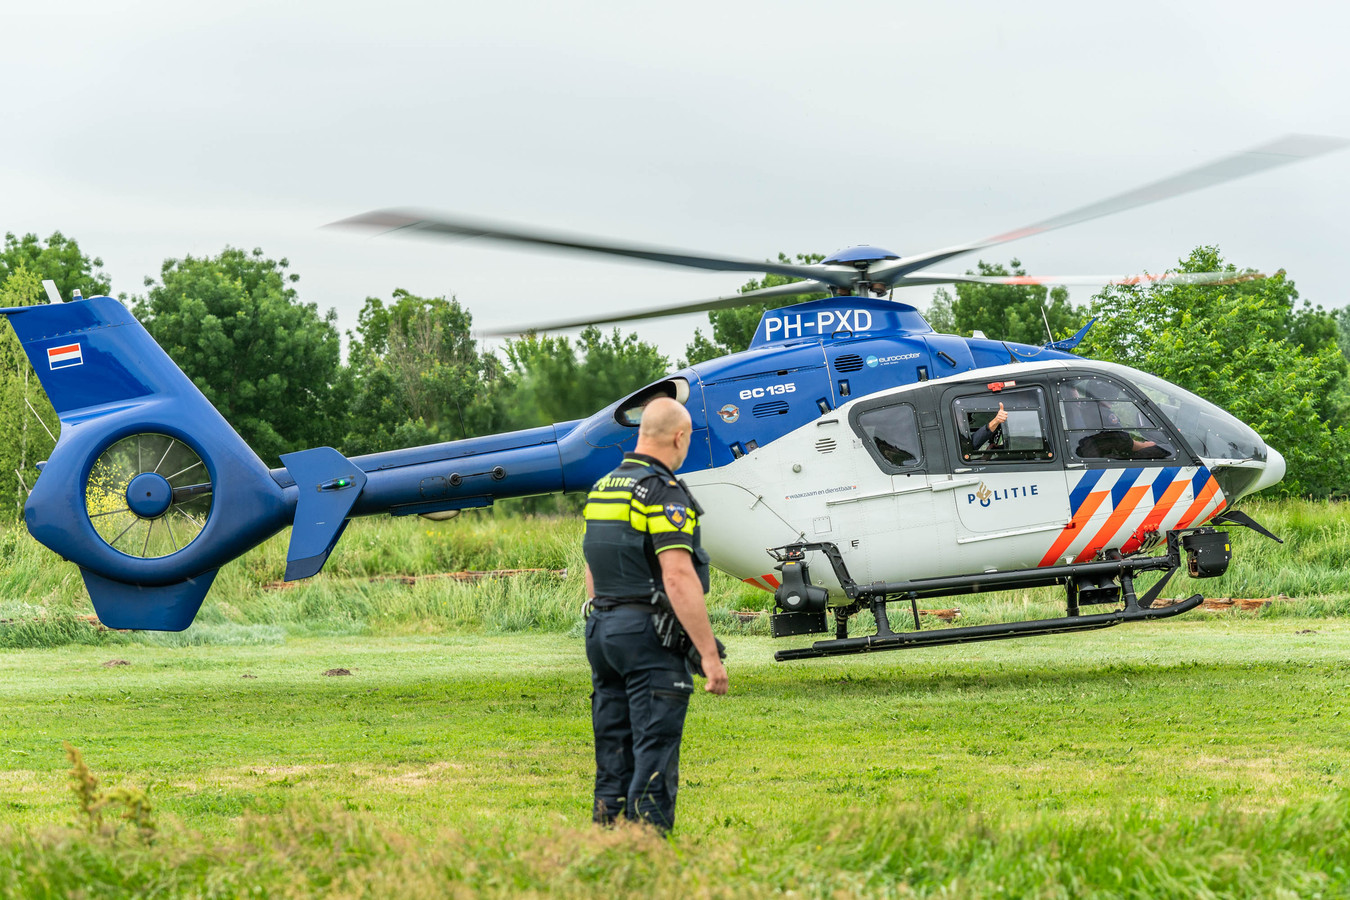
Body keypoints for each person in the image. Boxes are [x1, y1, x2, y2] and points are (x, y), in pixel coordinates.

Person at [581, 396, 729, 834]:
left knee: (613, 749)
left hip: (602, 630)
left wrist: (608, 616)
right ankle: (649, 852)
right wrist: (709, 655)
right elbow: (679, 576)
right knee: (654, 750)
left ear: (643, 432)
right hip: (649, 637)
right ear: (680, 437)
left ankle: (606, 842)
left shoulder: (605, 486)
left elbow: (593, 566)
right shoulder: (663, 492)